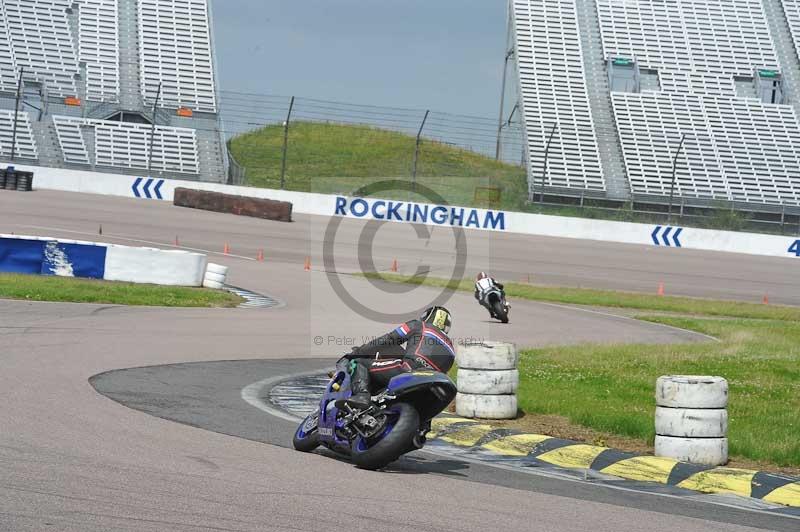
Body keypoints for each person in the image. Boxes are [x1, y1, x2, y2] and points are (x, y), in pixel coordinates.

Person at [344, 306, 454, 408]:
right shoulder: (451, 348)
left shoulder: (418, 325)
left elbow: (389, 339)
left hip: (410, 369)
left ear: (427, 317)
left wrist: (357, 353)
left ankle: (362, 395)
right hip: (434, 386)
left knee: (359, 363)